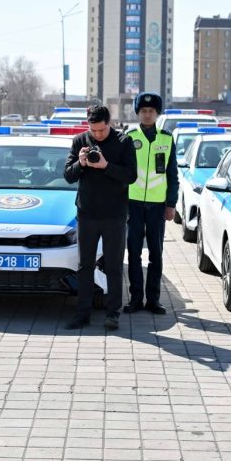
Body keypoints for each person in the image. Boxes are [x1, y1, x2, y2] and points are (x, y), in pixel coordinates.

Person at [62, 104, 137, 331]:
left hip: (114, 215)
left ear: (109, 123)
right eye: (93, 130)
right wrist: (81, 163)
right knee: (85, 265)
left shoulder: (123, 142)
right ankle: (82, 314)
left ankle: (112, 313)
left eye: (101, 130)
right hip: (87, 214)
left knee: (113, 266)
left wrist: (106, 166)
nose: (97, 135)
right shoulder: (80, 141)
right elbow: (68, 175)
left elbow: (131, 176)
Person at [123, 92, 178, 315]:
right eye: (143, 111)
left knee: (156, 254)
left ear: (157, 113)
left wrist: (171, 204)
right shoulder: (128, 137)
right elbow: (122, 172)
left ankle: (153, 300)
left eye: (151, 111)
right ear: (138, 113)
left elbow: (172, 174)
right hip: (133, 203)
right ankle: (136, 298)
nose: (147, 114)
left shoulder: (166, 138)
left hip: (157, 206)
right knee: (134, 253)